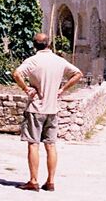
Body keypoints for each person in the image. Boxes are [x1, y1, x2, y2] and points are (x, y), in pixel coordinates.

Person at [11, 32, 83, 191]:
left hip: (36, 108)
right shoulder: (59, 61)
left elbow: (16, 73)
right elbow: (78, 74)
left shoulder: (33, 61)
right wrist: (62, 89)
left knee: (33, 144)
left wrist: (26, 89)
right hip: (52, 108)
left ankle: (33, 180)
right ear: (49, 44)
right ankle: (50, 181)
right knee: (51, 145)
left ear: (35, 45)